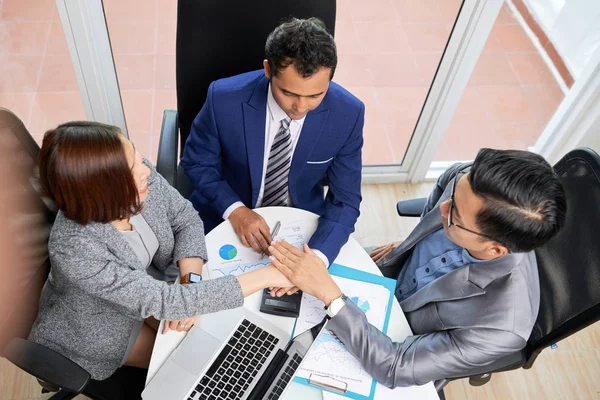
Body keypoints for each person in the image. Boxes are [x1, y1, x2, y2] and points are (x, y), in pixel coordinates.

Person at [268, 148, 567, 387]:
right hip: (390, 273)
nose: (442, 211)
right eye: (453, 198)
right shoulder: (468, 178)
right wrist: (407, 243)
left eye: (455, 217)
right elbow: (443, 185)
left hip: (399, 339)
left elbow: (394, 368)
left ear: (494, 248)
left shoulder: (500, 329)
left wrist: (330, 296)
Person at [28, 122, 292, 381]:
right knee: (193, 366)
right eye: (133, 168)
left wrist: (191, 284)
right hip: (101, 323)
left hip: (156, 289)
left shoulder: (139, 176)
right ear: (104, 190)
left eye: (136, 155)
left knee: (214, 339)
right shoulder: (75, 249)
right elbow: (167, 302)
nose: (145, 169)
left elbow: (185, 218)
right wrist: (269, 275)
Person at [180, 18, 364, 285]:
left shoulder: (348, 113)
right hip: (225, 217)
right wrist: (235, 210)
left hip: (299, 224)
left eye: (315, 96)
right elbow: (197, 163)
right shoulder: (223, 98)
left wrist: (316, 260)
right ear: (268, 70)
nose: (300, 107)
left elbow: (345, 200)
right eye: (289, 92)